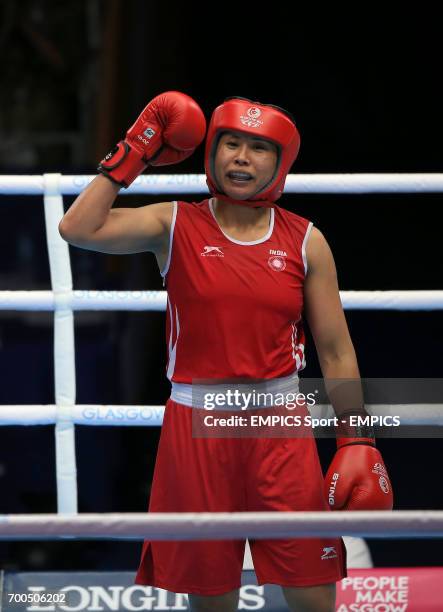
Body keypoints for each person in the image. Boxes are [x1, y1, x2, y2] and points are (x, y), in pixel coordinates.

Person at [59, 91, 393, 612]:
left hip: (280, 428)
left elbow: (335, 350)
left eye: (258, 148)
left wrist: (357, 437)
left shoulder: (306, 241)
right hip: (196, 426)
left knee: (311, 590)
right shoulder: (174, 224)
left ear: (280, 162)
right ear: (211, 151)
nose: (241, 157)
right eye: (231, 143)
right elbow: (78, 229)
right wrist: (135, 150)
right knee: (211, 596)